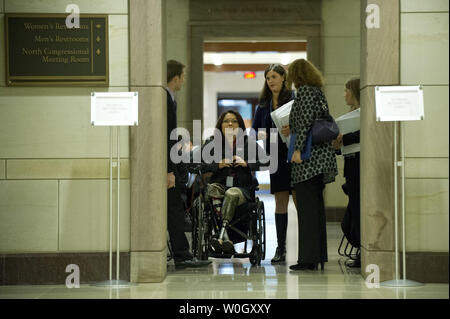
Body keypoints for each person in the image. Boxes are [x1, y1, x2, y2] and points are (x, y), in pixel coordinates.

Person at [287, 59, 338, 271]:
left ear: (297, 74)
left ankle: (308, 259)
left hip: (309, 160)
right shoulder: (317, 91)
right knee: (316, 209)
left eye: (290, 72)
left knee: (307, 210)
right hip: (320, 159)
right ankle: (317, 256)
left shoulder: (306, 92)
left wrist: (297, 149)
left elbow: (306, 122)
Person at [166, 59, 211, 269]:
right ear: (176, 78)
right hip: (168, 165)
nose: (183, 82)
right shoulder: (166, 99)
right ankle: (182, 255)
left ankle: (182, 254)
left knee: (174, 208)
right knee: (174, 209)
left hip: (172, 161)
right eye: (182, 77)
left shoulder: (168, 98)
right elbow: (167, 137)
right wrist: (169, 169)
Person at [200, 110, 265, 255]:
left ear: (240, 125)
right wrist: (217, 165)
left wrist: (247, 163)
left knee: (231, 193)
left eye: (234, 121)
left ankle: (222, 237)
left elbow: (267, 161)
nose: (230, 123)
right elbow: (198, 165)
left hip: (242, 189)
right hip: (219, 185)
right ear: (220, 125)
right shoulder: (212, 143)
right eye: (226, 121)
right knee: (212, 190)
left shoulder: (249, 143)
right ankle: (226, 239)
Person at [252, 64, 298, 264]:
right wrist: (261, 134)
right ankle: (281, 248)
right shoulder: (263, 105)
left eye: (273, 77)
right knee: (280, 203)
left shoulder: (295, 100)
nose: (270, 81)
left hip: (295, 155)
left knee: (298, 200)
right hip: (276, 158)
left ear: (283, 78)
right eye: (267, 78)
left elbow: (305, 125)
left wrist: (293, 129)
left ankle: (306, 246)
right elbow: (254, 131)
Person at [332, 77, 361, 268]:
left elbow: (365, 134)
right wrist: (337, 144)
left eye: (346, 90)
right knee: (351, 218)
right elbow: (339, 148)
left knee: (356, 215)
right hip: (350, 167)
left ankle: (362, 252)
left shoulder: (364, 115)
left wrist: (345, 138)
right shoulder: (351, 115)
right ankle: (360, 250)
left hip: (360, 167)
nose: (344, 94)